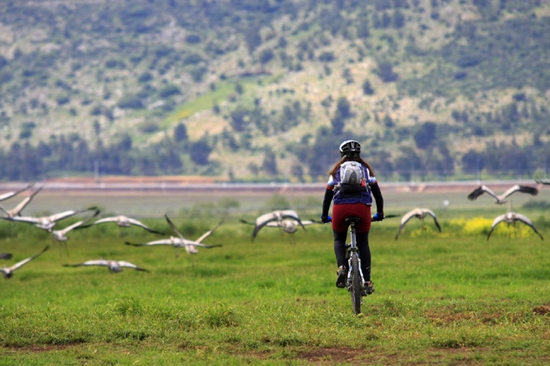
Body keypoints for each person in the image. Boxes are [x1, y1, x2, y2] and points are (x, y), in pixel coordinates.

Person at [320, 140, 384, 295]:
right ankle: (367, 282)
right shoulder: (365, 170)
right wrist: (380, 213)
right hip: (362, 209)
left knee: (339, 239)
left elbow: (327, 196)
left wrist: (324, 216)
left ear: (342, 154)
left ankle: (342, 267)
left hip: (340, 210)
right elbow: (378, 195)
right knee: (363, 244)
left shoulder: (337, 172)